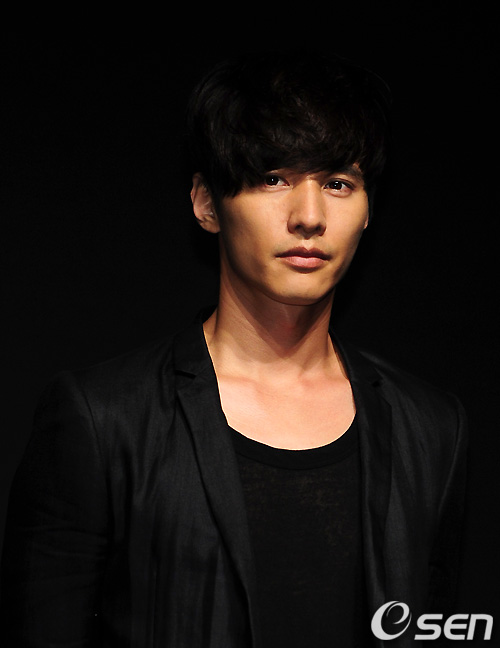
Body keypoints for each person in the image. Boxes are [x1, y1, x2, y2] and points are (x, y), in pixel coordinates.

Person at [0, 50, 467, 647]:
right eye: (273, 178)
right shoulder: (104, 419)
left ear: (368, 207)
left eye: (337, 183)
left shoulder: (431, 428)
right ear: (205, 203)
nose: (309, 216)